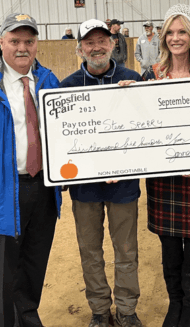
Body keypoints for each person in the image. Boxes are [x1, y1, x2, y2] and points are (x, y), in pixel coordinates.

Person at [59, 19, 143, 327]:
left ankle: (126, 309)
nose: (97, 47)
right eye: (89, 42)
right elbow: (63, 141)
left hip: (124, 185)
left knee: (126, 249)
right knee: (90, 250)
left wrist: (137, 98)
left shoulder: (132, 80)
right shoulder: (66, 87)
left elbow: (146, 130)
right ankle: (98, 310)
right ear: (79, 48)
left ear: (113, 44)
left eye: (102, 41)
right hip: (86, 188)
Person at [143, 4, 190, 327]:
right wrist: (124, 98)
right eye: (170, 33)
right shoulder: (151, 75)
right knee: (170, 250)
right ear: (163, 38)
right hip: (164, 179)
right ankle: (175, 304)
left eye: (182, 32)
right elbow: (140, 123)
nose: (176, 38)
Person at [0, 13, 62, 327]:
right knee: (6, 266)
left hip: (44, 188)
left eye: (29, 41)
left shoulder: (49, 81)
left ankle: (28, 315)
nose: (22, 47)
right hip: (5, 189)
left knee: (35, 260)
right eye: (15, 41)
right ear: (1, 43)